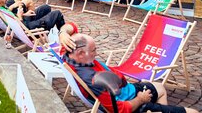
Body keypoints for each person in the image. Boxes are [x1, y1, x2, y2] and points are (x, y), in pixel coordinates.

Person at [63, 33, 198, 113]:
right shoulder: (95, 80)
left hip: (128, 90)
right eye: (93, 50)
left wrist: (62, 33)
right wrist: (141, 99)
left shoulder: (69, 53)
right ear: (80, 53)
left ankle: (159, 109)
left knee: (160, 87)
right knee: (194, 112)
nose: (96, 53)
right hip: (132, 101)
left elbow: (66, 23)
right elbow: (119, 110)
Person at [0, 0, 66, 31]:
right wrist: (20, 16)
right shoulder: (1, 11)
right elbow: (19, 27)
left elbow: (12, 18)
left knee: (46, 8)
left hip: (24, 21)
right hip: (26, 27)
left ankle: (47, 26)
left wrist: (24, 14)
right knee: (57, 13)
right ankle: (63, 33)